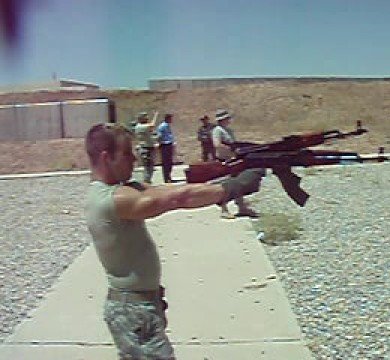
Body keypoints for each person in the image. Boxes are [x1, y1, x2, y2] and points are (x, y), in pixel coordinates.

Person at [84, 123, 263, 360]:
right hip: (134, 310)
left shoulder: (118, 190)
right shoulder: (110, 199)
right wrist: (232, 187)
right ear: (107, 158)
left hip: (139, 306)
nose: (135, 159)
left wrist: (222, 176)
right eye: (127, 154)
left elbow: (166, 190)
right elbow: (177, 199)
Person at [212, 109, 260, 219]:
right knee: (227, 185)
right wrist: (230, 150)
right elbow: (217, 144)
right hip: (225, 161)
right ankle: (224, 209)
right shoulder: (217, 130)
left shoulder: (228, 130)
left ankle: (241, 207)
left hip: (233, 159)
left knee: (237, 183)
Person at [134, 111, 159, 184]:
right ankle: (146, 183)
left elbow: (150, 131)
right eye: (145, 117)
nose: (147, 118)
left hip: (146, 148)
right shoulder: (141, 126)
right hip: (146, 149)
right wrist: (155, 115)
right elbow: (152, 125)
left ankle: (147, 182)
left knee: (149, 167)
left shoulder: (138, 127)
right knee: (148, 168)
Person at [157, 114, 175, 183]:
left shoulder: (167, 125)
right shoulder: (163, 126)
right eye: (170, 118)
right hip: (165, 145)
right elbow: (159, 136)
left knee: (169, 162)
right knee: (166, 162)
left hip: (168, 144)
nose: (171, 120)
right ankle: (166, 178)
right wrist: (160, 143)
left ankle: (168, 176)